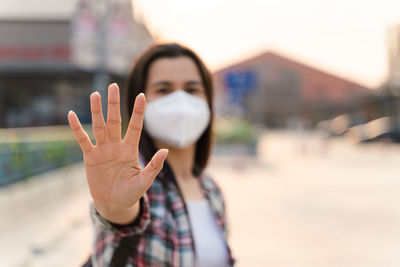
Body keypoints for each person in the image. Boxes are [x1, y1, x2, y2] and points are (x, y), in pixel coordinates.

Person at [68, 43, 234, 267]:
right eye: (163, 90)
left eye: (192, 89)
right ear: (140, 102)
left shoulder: (211, 189)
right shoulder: (134, 180)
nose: (181, 102)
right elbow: (123, 212)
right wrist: (114, 206)